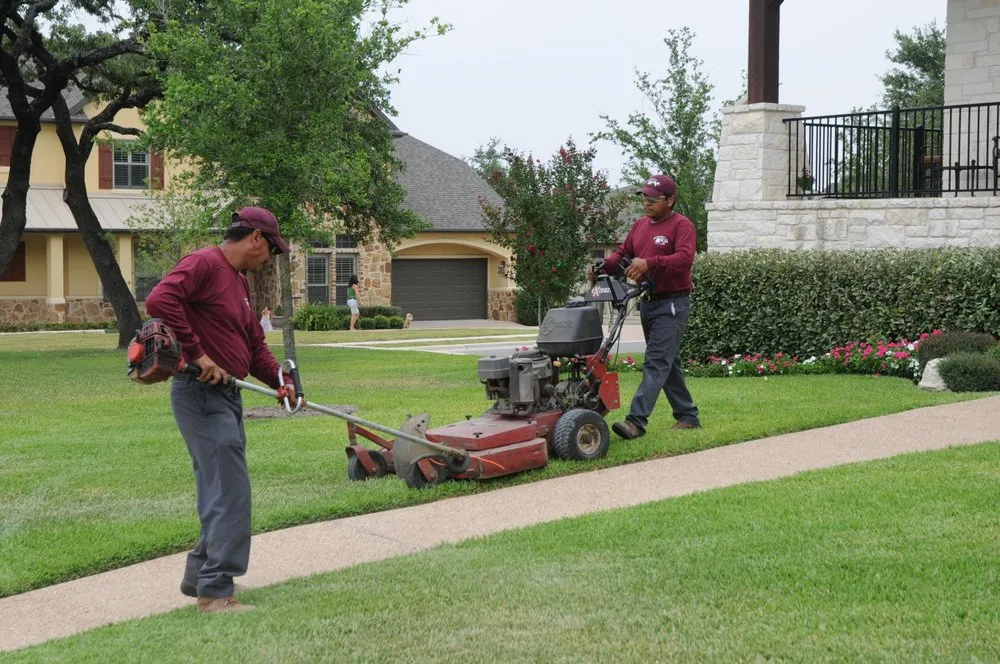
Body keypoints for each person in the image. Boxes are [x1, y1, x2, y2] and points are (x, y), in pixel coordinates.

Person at [145, 206, 297, 614]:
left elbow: (253, 344)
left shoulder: (238, 281)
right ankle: (215, 593)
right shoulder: (205, 263)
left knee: (220, 489)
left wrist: (280, 381)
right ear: (256, 238)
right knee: (230, 492)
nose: (271, 258)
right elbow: (160, 299)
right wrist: (198, 354)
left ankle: (200, 576)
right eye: (272, 249)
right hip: (200, 394)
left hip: (226, 396)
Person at [595, 174, 701, 439]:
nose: (647, 203)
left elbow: (685, 259)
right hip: (648, 303)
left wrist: (649, 263)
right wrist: (602, 266)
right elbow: (623, 254)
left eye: (653, 200)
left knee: (655, 362)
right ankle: (688, 416)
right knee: (668, 362)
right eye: (645, 198)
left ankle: (635, 422)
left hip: (673, 303)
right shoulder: (640, 225)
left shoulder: (682, 226)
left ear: (670, 200)